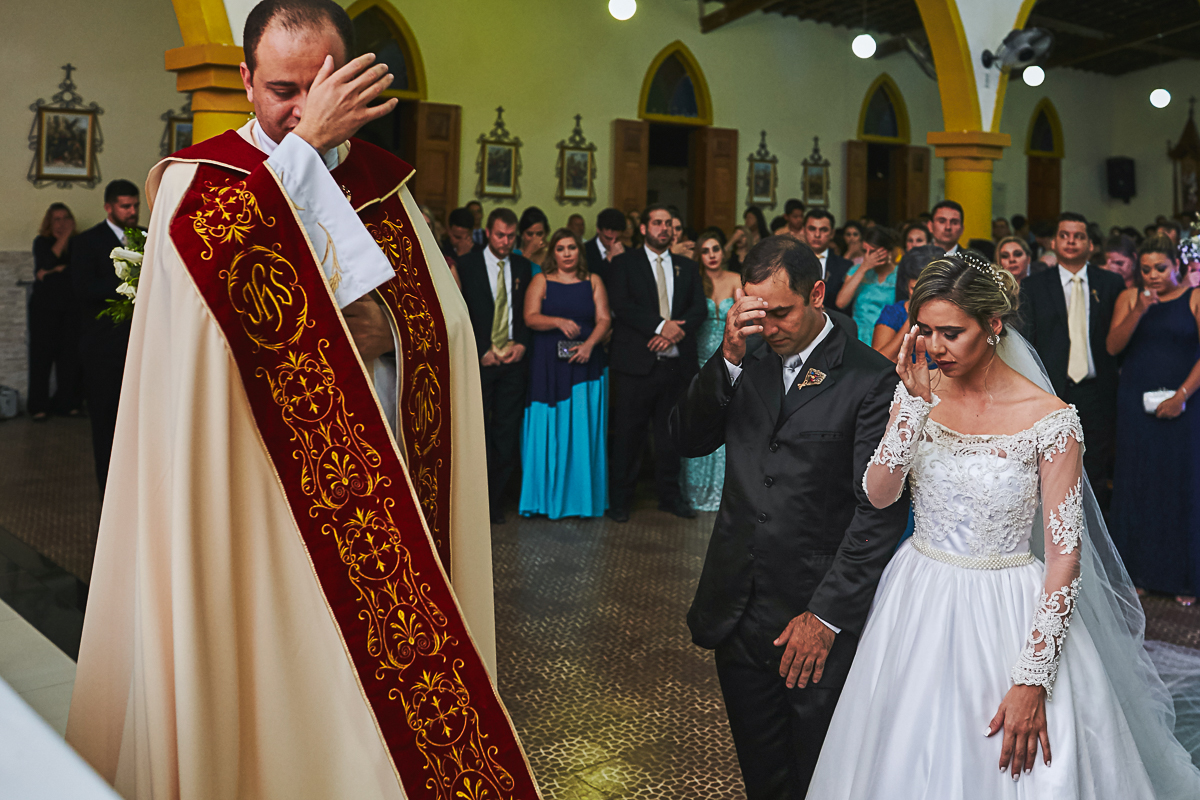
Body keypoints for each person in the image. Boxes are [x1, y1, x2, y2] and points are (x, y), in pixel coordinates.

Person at [66, 3, 534, 797]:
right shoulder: (198, 186)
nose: (304, 110)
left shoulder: (387, 189)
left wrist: (389, 331)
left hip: (369, 506)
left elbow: (445, 328)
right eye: (285, 89)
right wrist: (306, 150)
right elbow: (202, 338)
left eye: (324, 87)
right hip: (245, 502)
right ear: (245, 82)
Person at [807, 251, 1200, 800]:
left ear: (993, 326)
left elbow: (1065, 555)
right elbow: (879, 494)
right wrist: (912, 412)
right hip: (917, 595)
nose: (935, 347)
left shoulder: (1051, 419)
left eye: (952, 332)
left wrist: (1033, 675)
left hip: (1008, 606)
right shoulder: (919, 390)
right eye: (925, 330)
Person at [670, 235, 908, 798]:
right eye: (755, 312)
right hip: (737, 607)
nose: (768, 326)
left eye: (781, 312)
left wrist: (824, 617)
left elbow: (877, 515)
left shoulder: (868, 378)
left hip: (813, 612)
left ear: (818, 294)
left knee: (816, 776)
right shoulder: (743, 356)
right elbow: (686, 437)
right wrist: (725, 358)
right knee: (763, 775)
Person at [1107, 236, 1200, 606]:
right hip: (1135, 403)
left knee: (1181, 485)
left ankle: (1183, 577)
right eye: (1146, 269)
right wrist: (1140, 310)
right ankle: (1137, 573)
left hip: (1185, 402)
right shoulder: (1130, 298)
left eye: (1161, 268)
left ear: (1177, 265)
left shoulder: (1195, 298)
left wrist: (1181, 397)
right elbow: (1113, 347)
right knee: (1138, 484)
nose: (1153, 275)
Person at [606, 204, 707, 523]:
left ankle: (669, 497)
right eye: (657, 223)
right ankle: (620, 500)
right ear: (644, 228)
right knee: (627, 436)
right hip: (635, 365)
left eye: (669, 224)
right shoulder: (624, 263)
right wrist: (662, 327)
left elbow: (699, 309)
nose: (664, 229)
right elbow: (622, 306)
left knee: (670, 437)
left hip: (675, 366)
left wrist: (674, 332)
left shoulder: (686, 267)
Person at [1017, 212, 1124, 510]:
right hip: (1051, 390)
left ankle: (1096, 542)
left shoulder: (1111, 284)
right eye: (1065, 235)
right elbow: (1028, 341)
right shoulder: (1035, 286)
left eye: (1078, 236)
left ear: (1090, 244)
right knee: (1050, 466)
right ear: (1054, 242)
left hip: (1097, 389)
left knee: (1097, 468)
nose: (1071, 241)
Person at [519, 229, 611, 518]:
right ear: (553, 253)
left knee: (584, 430)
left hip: (586, 364)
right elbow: (530, 318)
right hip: (548, 367)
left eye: (572, 247)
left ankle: (581, 500)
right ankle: (545, 500)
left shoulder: (593, 281)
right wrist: (558, 321)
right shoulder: (541, 280)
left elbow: (605, 318)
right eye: (561, 248)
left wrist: (589, 345)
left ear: (579, 252)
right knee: (550, 428)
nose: (567, 253)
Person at [457, 208, 534, 524]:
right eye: (500, 235)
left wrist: (522, 343)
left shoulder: (523, 266)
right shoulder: (467, 265)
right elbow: (464, 314)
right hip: (482, 360)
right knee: (479, 432)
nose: (506, 242)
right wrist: (482, 351)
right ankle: (474, 500)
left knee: (506, 431)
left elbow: (528, 310)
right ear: (488, 233)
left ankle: (495, 501)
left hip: (513, 361)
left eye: (511, 236)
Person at [71, 179, 141, 493]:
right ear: (109, 207)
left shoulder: (145, 237)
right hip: (102, 348)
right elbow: (82, 289)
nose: (132, 211)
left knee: (139, 423)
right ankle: (108, 491)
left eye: (135, 205)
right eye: (126, 206)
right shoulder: (87, 242)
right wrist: (131, 287)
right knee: (106, 423)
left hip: (139, 347)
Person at [680, 231, 740, 512]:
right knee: (699, 420)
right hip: (698, 359)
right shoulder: (693, 280)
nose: (712, 254)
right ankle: (694, 489)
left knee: (727, 421)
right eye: (706, 250)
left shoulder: (736, 279)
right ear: (699, 256)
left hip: (729, 357)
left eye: (716, 248)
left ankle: (722, 491)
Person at [28, 202, 82, 420]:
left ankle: (68, 403)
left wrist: (54, 272)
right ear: (49, 223)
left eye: (65, 218)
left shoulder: (79, 244)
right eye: (56, 219)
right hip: (43, 310)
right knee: (41, 357)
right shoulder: (41, 242)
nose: (61, 223)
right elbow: (45, 263)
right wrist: (62, 240)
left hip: (70, 309)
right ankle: (38, 406)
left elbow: (77, 274)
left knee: (70, 357)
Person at [871, 244, 943, 362]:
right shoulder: (893, 313)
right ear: (906, 286)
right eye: (914, 289)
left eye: (927, 291)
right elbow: (879, 363)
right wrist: (911, 319)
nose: (920, 297)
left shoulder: (952, 315)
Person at [836, 226, 898, 344]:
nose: (868, 256)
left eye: (873, 251)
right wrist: (864, 267)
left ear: (887, 251)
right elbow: (841, 303)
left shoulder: (899, 275)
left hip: (887, 336)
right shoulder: (856, 271)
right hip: (858, 335)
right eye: (865, 251)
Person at [802, 209, 853, 312]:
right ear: (804, 230)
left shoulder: (844, 266)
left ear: (832, 233)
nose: (817, 235)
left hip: (833, 322)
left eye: (824, 230)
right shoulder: (791, 261)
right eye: (812, 229)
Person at [584, 207, 626, 284]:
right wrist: (610, 257)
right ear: (598, 230)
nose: (612, 243)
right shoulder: (583, 251)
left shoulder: (627, 252)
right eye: (608, 238)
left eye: (617, 239)